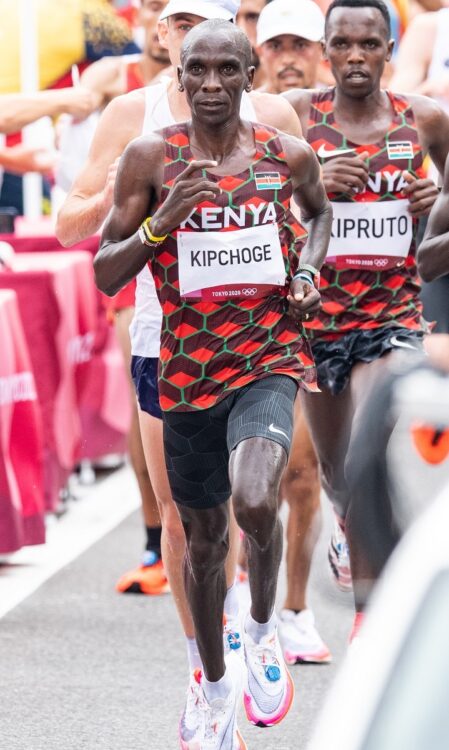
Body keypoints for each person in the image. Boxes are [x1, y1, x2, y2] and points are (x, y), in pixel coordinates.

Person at [56, 0, 305, 743]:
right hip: (166, 340)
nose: (202, 67)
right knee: (188, 524)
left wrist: (308, 272)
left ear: (242, 53)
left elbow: (312, 209)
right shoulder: (134, 121)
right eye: (177, 26)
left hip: (260, 343)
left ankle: (257, 629)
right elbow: (78, 229)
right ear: (165, 39)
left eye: (214, 35)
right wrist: (150, 209)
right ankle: (206, 671)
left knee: (254, 499)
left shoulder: (275, 121)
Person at [285, 0, 449, 634]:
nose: (357, 57)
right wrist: (317, 183)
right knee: (334, 472)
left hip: (393, 313)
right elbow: (259, 197)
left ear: (389, 48)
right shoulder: (299, 117)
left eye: (370, 44)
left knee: (363, 452)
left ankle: (368, 618)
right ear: (326, 51)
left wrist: (435, 206)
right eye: (343, 44)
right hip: (319, 315)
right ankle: (349, 522)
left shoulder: (425, 119)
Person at [255, 0, 332, 666]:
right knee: (259, 480)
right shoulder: (235, 119)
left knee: (304, 476)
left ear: (320, 54)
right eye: (274, 43)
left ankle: (297, 609)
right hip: (258, 326)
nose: (287, 55)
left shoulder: (355, 119)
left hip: (342, 321)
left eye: (298, 44)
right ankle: (252, 612)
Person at [390, 8, 449, 334]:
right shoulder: (433, 27)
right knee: (437, 347)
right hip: (434, 194)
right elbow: (394, 111)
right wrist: (433, 88)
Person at [256, 0, 326, 94]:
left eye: (301, 46)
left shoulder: (339, 106)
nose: (288, 60)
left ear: (322, 49)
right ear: (260, 53)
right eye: (275, 47)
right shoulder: (244, 107)